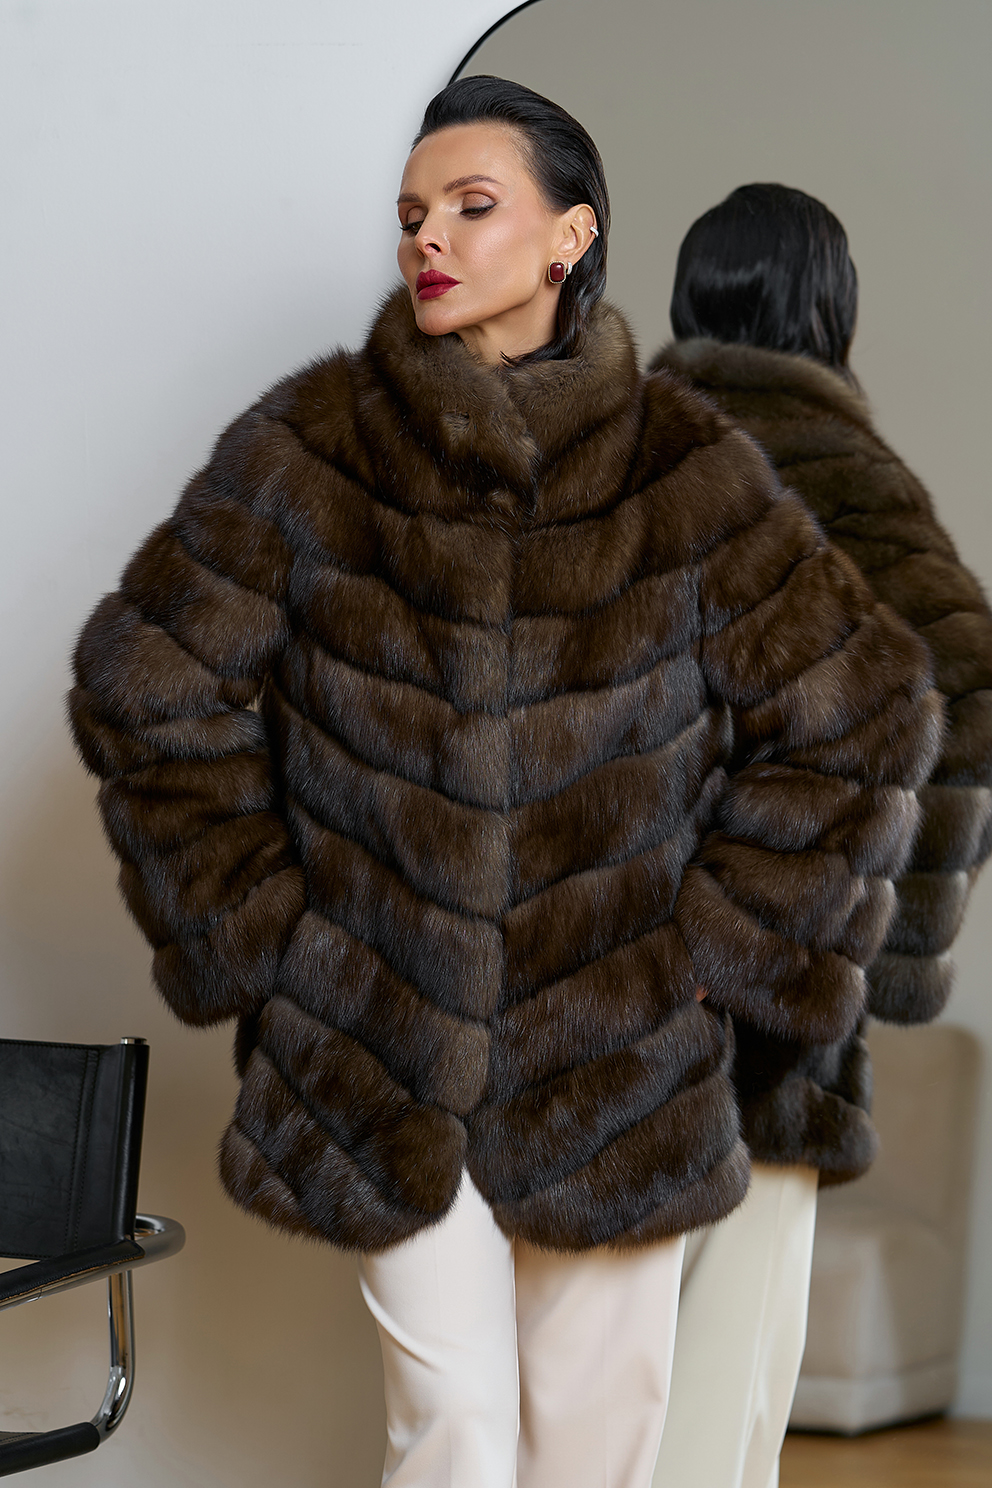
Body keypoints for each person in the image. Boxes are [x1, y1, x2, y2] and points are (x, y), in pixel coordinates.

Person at [69, 87, 942, 1488]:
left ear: (568, 236)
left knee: (597, 1450)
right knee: (454, 1434)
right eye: (412, 214)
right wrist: (276, 940)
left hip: (619, 1062)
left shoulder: (683, 469)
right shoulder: (311, 449)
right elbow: (144, 684)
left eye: (472, 207)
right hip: (382, 1050)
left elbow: (866, 709)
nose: (429, 238)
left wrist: (721, 947)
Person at [650, 182, 992, 1488]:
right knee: (727, 1377)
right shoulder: (854, 480)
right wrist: (878, 933)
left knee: (576, 1378)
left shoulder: (616, 459)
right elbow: (966, 701)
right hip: (779, 1007)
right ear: (829, 307)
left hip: (597, 985)